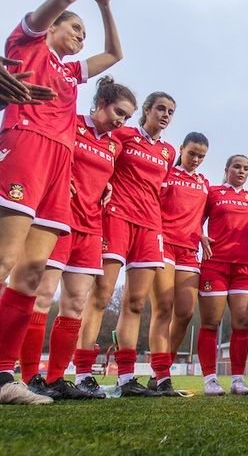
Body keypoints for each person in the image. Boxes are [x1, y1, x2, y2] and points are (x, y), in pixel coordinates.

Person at [0, 0, 122, 405]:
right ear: (52, 27)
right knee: (4, 260)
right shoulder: (27, 40)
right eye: (76, 29)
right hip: (25, 146)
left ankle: (4, 377)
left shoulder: (71, 73)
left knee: (30, 275)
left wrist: (106, 6)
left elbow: (114, 54)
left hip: (58, 162)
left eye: (83, 33)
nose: (81, 37)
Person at [17, 77, 134, 400]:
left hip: (92, 226)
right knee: (42, 296)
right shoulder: (70, 125)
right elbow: (46, 151)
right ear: (99, 103)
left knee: (76, 303)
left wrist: (107, 185)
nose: (121, 121)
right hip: (59, 220)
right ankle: (29, 377)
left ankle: (56, 379)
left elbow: (115, 176)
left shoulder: (115, 144)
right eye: (118, 112)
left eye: (126, 117)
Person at [74, 92, 176, 398]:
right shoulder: (124, 134)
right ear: (146, 110)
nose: (166, 114)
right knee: (101, 295)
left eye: (171, 111)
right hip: (117, 217)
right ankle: (82, 375)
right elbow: (101, 157)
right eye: (160, 108)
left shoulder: (168, 152)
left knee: (135, 303)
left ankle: (126, 377)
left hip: (150, 226)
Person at [146, 132, 209, 395]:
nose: (195, 159)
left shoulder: (204, 183)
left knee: (183, 314)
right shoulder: (167, 174)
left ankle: (159, 371)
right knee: (163, 308)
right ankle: (162, 376)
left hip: (188, 251)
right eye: (192, 153)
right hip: (163, 244)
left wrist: (201, 233)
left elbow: (198, 216)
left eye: (201, 156)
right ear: (181, 149)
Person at [196, 155, 248, 396]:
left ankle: (238, 379)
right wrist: (199, 235)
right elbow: (196, 220)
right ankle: (210, 379)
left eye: (246, 168)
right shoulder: (213, 192)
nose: (242, 171)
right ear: (226, 169)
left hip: (243, 268)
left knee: (241, 323)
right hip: (215, 265)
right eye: (237, 166)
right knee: (211, 322)